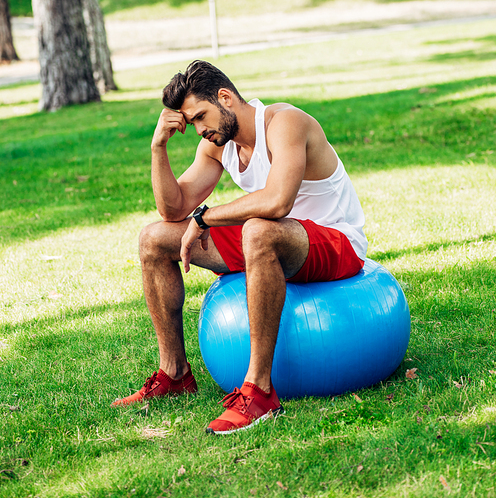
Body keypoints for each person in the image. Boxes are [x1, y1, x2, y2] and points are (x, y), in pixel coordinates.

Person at [112, 60, 367, 434]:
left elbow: (278, 201)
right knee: (153, 239)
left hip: (335, 243)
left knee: (257, 231)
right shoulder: (218, 145)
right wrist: (158, 148)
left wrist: (205, 218)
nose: (199, 130)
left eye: (201, 117)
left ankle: (260, 391)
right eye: (192, 123)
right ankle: (175, 374)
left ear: (225, 97)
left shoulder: (284, 123)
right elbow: (173, 208)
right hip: (280, 236)